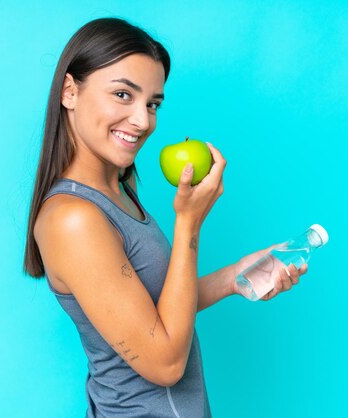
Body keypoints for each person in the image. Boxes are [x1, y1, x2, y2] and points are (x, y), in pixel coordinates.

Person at [23, 17, 307, 417]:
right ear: (70, 91)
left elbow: (154, 316)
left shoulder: (120, 190)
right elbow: (166, 363)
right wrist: (189, 223)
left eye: (152, 103)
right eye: (123, 94)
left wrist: (234, 277)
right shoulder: (73, 219)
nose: (143, 121)